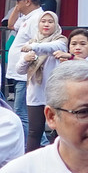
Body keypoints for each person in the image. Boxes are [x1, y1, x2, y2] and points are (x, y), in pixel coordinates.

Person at [14, 10, 68, 153]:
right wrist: (26, 60)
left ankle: (58, 157)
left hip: (55, 93)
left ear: (55, 24)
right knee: (34, 131)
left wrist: (34, 48)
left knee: (59, 130)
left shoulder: (60, 41)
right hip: (35, 93)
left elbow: (50, 48)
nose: (46, 24)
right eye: (43, 21)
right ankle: (30, 162)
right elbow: (19, 70)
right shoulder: (31, 42)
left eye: (50, 22)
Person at [1, 0, 44, 129]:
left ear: (28, 1)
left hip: (25, 73)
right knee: (23, 112)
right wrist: (17, 8)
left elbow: (37, 44)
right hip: (21, 72)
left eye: (18, 1)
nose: (16, 4)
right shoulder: (29, 17)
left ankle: (33, 143)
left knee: (21, 112)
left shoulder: (37, 18)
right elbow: (10, 24)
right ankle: (38, 141)